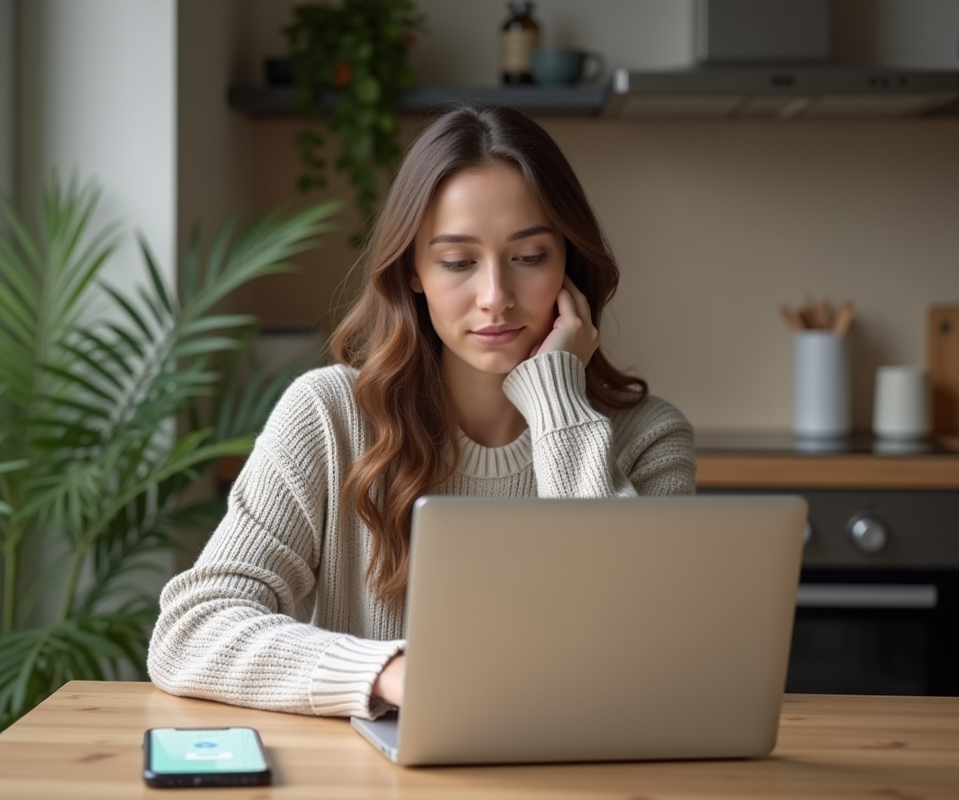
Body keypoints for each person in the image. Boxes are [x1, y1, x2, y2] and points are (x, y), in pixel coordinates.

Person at [147, 104, 696, 719]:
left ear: (569, 265)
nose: (495, 298)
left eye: (530, 257)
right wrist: (390, 673)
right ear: (414, 271)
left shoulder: (649, 438)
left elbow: (653, 647)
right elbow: (191, 631)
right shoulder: (328, 416)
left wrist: (557, 401)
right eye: (459, 262)